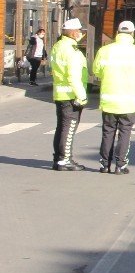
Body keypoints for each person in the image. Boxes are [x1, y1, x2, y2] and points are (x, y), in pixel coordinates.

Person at [92, 21, 135, 174]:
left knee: (108, 131)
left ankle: (104, 164)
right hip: (129, 100)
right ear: (133, 34)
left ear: (117, 33)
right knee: (125, 132)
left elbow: (96, 71)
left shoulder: (105, 51)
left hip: (109, 99)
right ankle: (120, 165)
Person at [49, 18, 89, 171]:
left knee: (61, 128)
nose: (80, 33)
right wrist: (82, 96)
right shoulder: (71, 50)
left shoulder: (58, 46)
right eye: (79, 31)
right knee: (69, 129)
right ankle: (65, 160)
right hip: (71, 95)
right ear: (73, 32)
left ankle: (59, 159)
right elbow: (73, 76)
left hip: (60, 93)